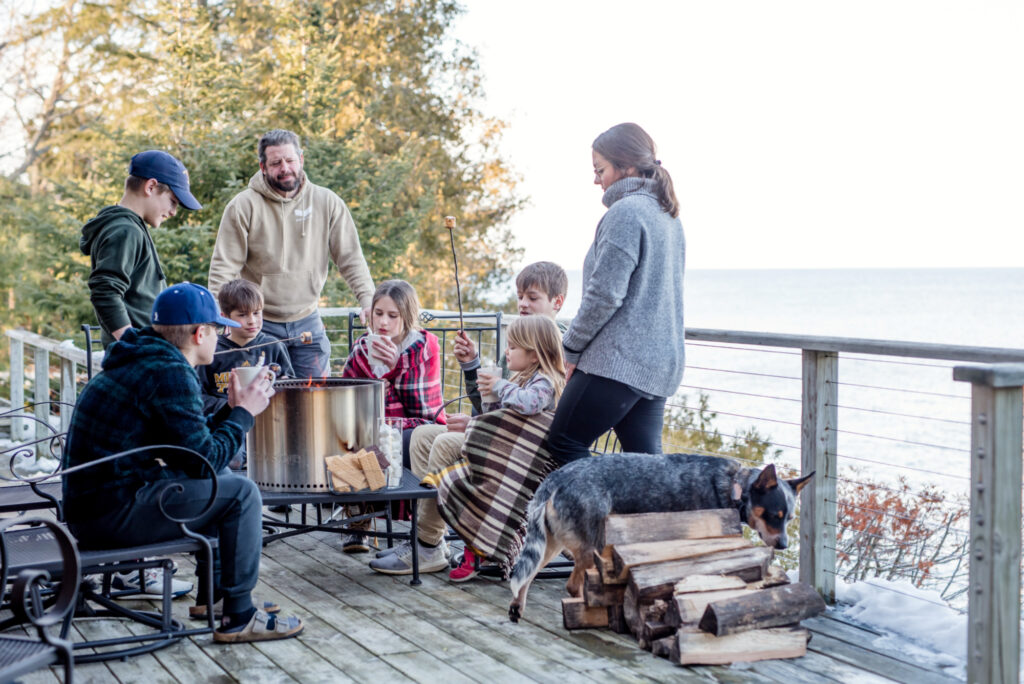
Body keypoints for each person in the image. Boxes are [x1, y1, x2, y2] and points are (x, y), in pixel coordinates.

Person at [63, 282, 304, 643]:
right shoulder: (168, 372)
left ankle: (216, 599)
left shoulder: (148, 358)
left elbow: (188, 450)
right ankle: (239, 616)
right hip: (109, 515)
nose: (223, 335)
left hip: (96, 504)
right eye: (219, 328)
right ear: (199, 333)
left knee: (222, 479)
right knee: (242, 494)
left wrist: (230, 407)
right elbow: (203, 460)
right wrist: (244, 415)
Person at [370, 314, 565, 578]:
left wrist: (500, 386)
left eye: (513, 347)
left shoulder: (544, 381)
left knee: (443, 443)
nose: (506, 352)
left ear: (534, 355)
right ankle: (429, 538)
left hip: (513, 454)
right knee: (421, 435)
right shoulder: (520, 377)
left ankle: (427, 543)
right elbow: (498, 415)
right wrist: (489, 397)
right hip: (498, 442)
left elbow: (528, 404)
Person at [546, 122, 685, 466]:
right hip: (658, 365)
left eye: (600, 170)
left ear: (626, 166)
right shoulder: (667, 216)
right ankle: (643, 522)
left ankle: (591, 521)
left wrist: (571, 348)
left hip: (619, 362)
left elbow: (604, 295)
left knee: (563, 444)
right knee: (648, 470)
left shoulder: (626, 213)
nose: (596, 180)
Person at [207, 129, 375, 378]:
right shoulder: (243, 206)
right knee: (263, 405)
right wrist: (213, 318)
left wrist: (368, 299)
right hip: (259, 327)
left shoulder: (327, 202)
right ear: (263, 167)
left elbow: (350, 258)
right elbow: (224, 265)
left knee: (315, 403)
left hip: (308, 324)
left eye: (290, 160)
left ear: (301, 160)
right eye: (276, 163)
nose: (285, 168)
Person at [340, 279, 446, 552]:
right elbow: (346, 394)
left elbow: (422, 408)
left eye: (392, 315)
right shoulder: (363, 347)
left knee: (389, 438)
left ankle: (422, 529)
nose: (383, 322)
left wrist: (393, 370)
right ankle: (359, 519)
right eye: (378, 313)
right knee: (348, 435)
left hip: (417, 425)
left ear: (407, 316)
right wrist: (373, 391)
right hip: (369, 421)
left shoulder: (424, 348)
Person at [81, 150, 202, 348]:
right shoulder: (125, 229)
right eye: (172, 201)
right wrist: (132, 344)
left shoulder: (129, 227)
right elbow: (105, 291)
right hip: (136, 357)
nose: (173, 212)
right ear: (151, 186)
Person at [197, 278, 294, 470]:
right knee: (232, 461)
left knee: (288, 459)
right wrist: (230, 405)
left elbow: (291, 383)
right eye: (242, 315)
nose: (252, 320)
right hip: (229, 425)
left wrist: (281, 385)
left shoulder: (274, 346)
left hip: (269, 424)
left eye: (257, 313)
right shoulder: (213, 350)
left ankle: (283, 501)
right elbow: (199, 396)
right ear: (224, 316)